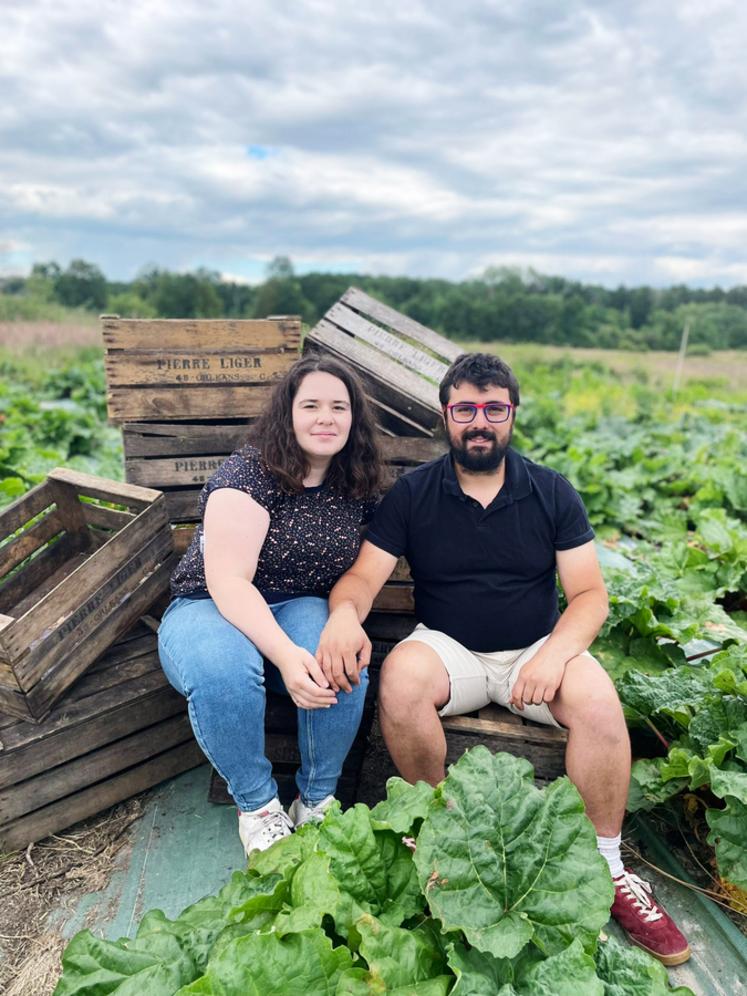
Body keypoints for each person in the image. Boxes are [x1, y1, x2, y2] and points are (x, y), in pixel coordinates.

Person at [316, 352, 690, 967]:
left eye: (494, 409)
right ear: (447, 415)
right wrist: (342, 615)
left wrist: (555, 655)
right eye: (466, 409)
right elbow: (361, 577)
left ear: (511, 415)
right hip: (451, 649)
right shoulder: (413, 494)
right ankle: (435, 838)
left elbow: (591, 595)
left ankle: (609, 868)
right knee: (401, 679)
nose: (479, 422)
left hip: (536, 650)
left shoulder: (550, 491)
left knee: (599, 703)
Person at [158, 355, 382, 856]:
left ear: (353, 419)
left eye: (339, 407)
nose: (326, 417)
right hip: (210, 603)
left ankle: (317, 800)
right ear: (288, 413)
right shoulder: (248, 473)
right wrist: (284, 653)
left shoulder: (355, 482)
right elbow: (229, 582)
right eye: (311, 405)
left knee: (342, 662)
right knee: (223, 671)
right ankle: (259, 809)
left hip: (300, 601)